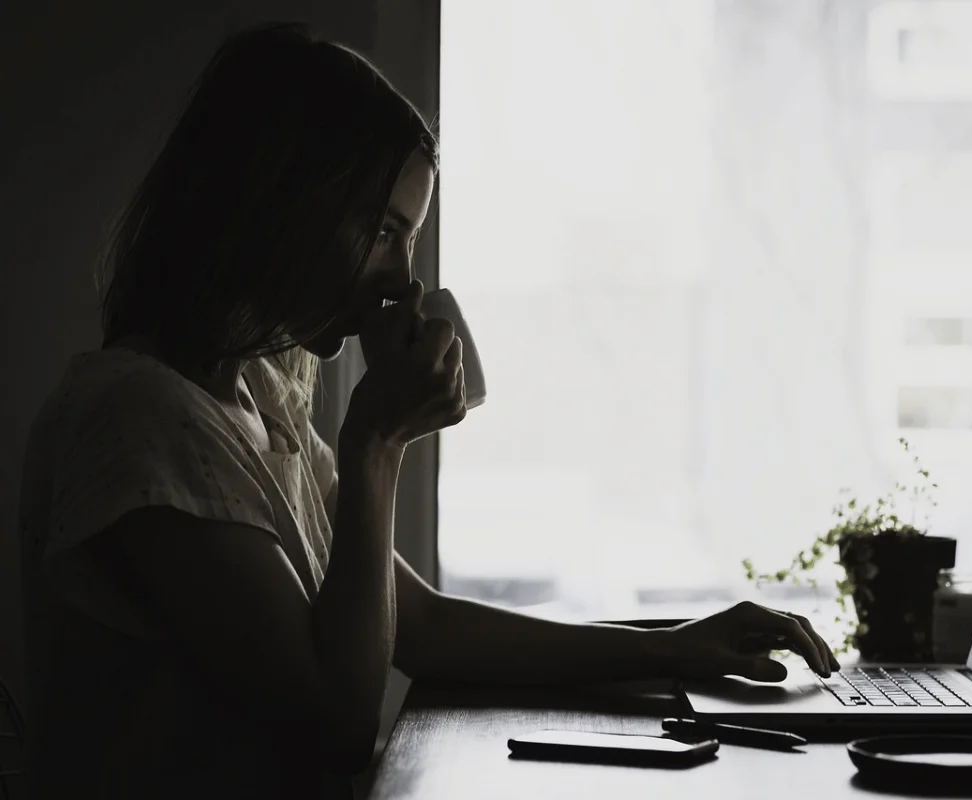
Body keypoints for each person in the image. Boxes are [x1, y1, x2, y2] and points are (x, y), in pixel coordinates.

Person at [17, 22, 837, 800]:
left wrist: (677, 646)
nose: (403, 280)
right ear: (278, 203)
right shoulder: (137, 417)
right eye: (382, 230)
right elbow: (336, 720)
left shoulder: (257, 402)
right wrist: (376, 440)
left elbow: (423, 624)